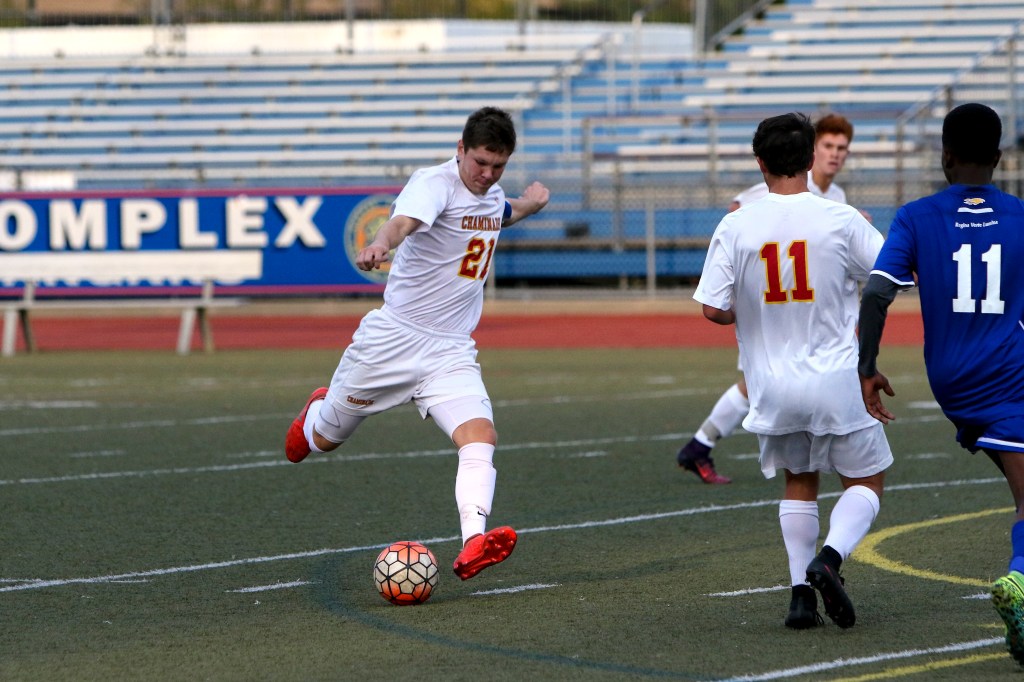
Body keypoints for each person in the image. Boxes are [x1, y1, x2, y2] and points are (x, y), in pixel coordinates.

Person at [283, 106, 550, 581]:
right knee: (321, 443)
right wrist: (381, 244)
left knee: (481, 437)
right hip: (393, 341)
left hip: (450, 349)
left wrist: (531, 204)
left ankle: (473, 542)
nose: (487, 175)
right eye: (480, 164)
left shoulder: (491, 195)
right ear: (460, 150)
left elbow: (500, 214)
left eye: (498, 167)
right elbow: (401, 223)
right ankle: (315, 416)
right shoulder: (433, 184)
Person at [694, 112, 892, 629]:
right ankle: (829, 558)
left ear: (759, 163)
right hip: (835, 377)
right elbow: (890, 276)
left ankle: (800, 595)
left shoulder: (737, 222)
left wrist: (754, 305)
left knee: (798, 481)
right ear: (810, 159)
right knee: (866, 480)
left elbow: (713, 308)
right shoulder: (841, 218)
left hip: (771, 384)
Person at [858, 102, 1024, 666]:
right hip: (1011, 373)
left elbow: (878, 292)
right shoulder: (1020, 215)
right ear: (1000, 159)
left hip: (951, 381)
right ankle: (1020, 583)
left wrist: (867, 368)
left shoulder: (915, 215)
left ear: (945, 156)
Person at [677, 113, 870, 485]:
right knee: (760, 383)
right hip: (773, 305)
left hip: (806, 311)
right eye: (828, 146)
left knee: (764, 386)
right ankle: (700, 444)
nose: (835, 154)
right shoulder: (783, 181)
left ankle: (700, 445)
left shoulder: (838, 199)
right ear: (813, 152)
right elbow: (741, 215)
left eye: (841, 148)